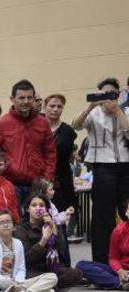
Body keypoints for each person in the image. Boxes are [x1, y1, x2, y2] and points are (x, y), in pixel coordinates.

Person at [70, 77, 129, 264]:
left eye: (112, 93)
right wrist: (90, 106)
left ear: (118, 94)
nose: (108, 97)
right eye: (104, 94)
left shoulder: (125, 111)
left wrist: (118, 112)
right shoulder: (94, 113)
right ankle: (101, 261)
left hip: (125, 166)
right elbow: (75, 125)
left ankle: (124, 258)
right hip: (102, 166)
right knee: (102, 215)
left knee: (125, 211)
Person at [0, 80, 56, 205]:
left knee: (37, 223)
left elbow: (50, 153)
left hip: (37, 185)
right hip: (11, 184)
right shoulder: (2, 124)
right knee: (15, 222)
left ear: (34, 98)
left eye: (29, 97)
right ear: (12, 99)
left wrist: (46, 178)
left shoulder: (42, 123)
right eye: (21, 98)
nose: (26, 101)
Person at [0, 210, 59, 292]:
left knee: (52, 277)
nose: (6, 225)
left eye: (8, 222)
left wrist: (18, 281)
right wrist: (12, 283)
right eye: (1, 223)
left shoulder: (18, 243)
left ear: (14, 227)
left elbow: (21, 268)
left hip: (16, 283)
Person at [13, 193, 85, 290]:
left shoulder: (50, 225)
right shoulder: (21, 229)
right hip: (31, 270)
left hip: (50, 268)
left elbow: (60, 250)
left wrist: (54, 227)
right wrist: (44, 239)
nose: (38, 208)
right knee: (33, 277)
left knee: (75, 274)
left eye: (42, 205)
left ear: (46, 209)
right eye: (34, 205)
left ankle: (45, 287)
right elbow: (27, 258)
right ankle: (48, 287)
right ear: (27, 209)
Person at [76, 198, 129, 289]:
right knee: (81, 265)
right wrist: (119, 270)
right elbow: (113, 258)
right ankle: (119, 284)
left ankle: (110, 282)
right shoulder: (119, 231)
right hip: (121, 271)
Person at [42, 95, 78, 216]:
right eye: (52, 106)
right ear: (44, 107)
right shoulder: (36, 127)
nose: (55, 109)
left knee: (60, 217)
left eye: (59, 106)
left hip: (61, 181)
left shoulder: (68, 131)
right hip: (38, 179)